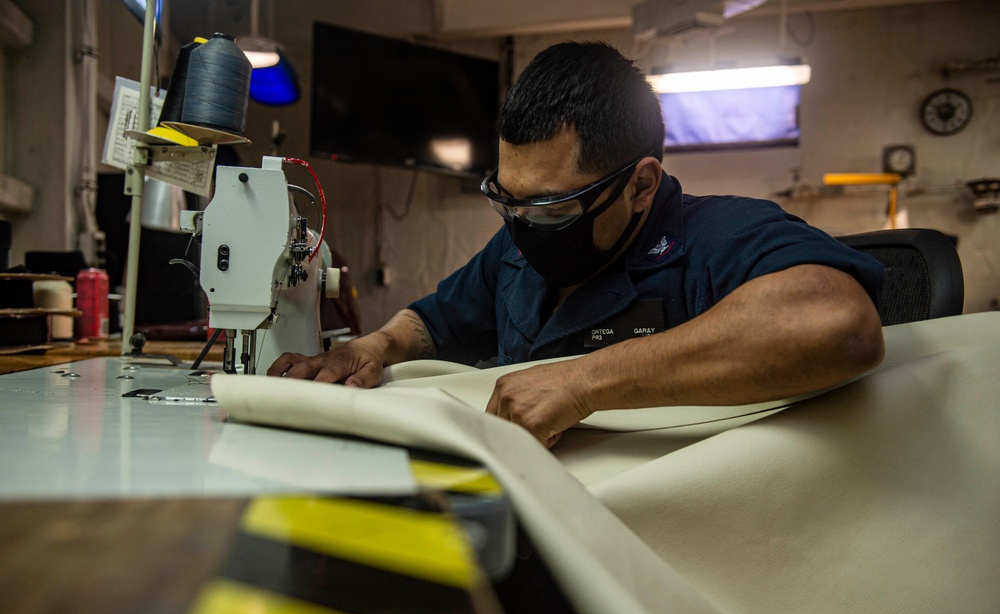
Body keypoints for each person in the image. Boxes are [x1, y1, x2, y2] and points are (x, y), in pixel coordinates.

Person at [269, 41, 885, 448]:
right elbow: (432, 323)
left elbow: (837, 323)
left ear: (641, 185)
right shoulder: (517, 245)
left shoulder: (717, 237)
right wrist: (373, 345)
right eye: (506, 198)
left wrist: (585, 381)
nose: (522, 224)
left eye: (553, 205)